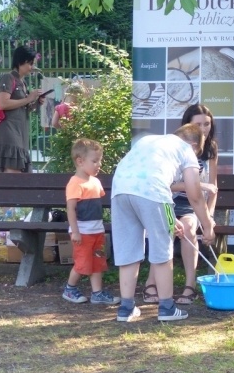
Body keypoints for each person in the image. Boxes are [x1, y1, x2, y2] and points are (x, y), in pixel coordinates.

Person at [111, 124, 215, 322]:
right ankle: (167, 307)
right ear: (193, 144)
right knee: (162, 250)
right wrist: (208, 225)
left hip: (120, 190)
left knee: (128, 251)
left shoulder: (148, 141)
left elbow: (147, 181)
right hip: (154, 192)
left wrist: (171, 218)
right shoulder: (186, 149)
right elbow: (194, 194)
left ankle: (126, 308)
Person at [142, 104, 218, 305]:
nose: (203, 129)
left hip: (194, 206)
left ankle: (189, 286)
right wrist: (198, 185)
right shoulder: (175, 146)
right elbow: (168, 184)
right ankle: (151, 283)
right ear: (187, 125)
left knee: (189, 227)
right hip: (170, 200)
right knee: (163, 229)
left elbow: (214, 186)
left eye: (207, 124)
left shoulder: (210, 149)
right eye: (198, 124)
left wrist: (208, 216)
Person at [61, 138, 119, 305]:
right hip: (83, 233)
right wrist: (75, 231)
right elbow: (70, 209)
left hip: (96, 231)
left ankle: (97, 293)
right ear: (80, 161)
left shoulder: (95, 182)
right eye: (94, 161)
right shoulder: (75, 183)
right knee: (82, 262)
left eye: (99, 160)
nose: (98, 164)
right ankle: (69, 288)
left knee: (98, 262)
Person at [0, 45, 43, 173]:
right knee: (13, 174)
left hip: (20, 131)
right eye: (30, 63)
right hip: (8, 131)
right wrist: (28, 99)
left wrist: (36, 103)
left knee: (19, 175)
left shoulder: (22, 82)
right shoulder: (8, 78)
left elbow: (22, 107)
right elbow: (3, 104)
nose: (32, 67)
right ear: (20, 62)